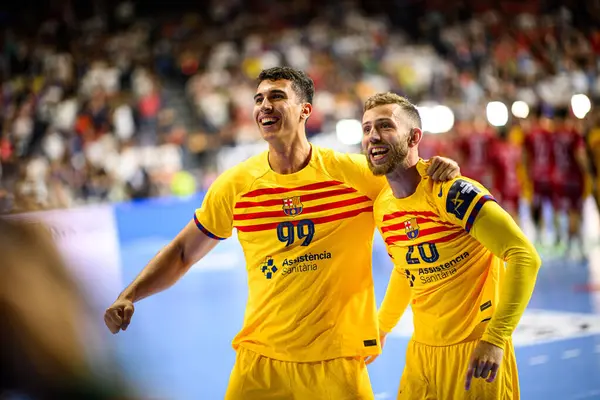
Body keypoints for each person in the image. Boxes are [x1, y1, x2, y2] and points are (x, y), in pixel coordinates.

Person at [104, 67, 461, 399]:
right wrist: (129, 294)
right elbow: (184, 252)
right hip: (260, 363)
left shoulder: (357, 175)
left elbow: (412, 182)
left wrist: (440, 169)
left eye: (276, 96)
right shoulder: (236, 184)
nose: (264, 105)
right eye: (258, 99)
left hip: (337, 363)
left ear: (305, 110)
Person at [361, 93, 541, 399]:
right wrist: (381, 326)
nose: (373, 136)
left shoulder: (451, 192)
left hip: (475, 352)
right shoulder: (384, 205)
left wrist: (496, 339)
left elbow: (524, 256)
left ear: (414, 136)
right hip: (421, 353)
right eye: (366, 129)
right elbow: (406, 271)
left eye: (385, 126)